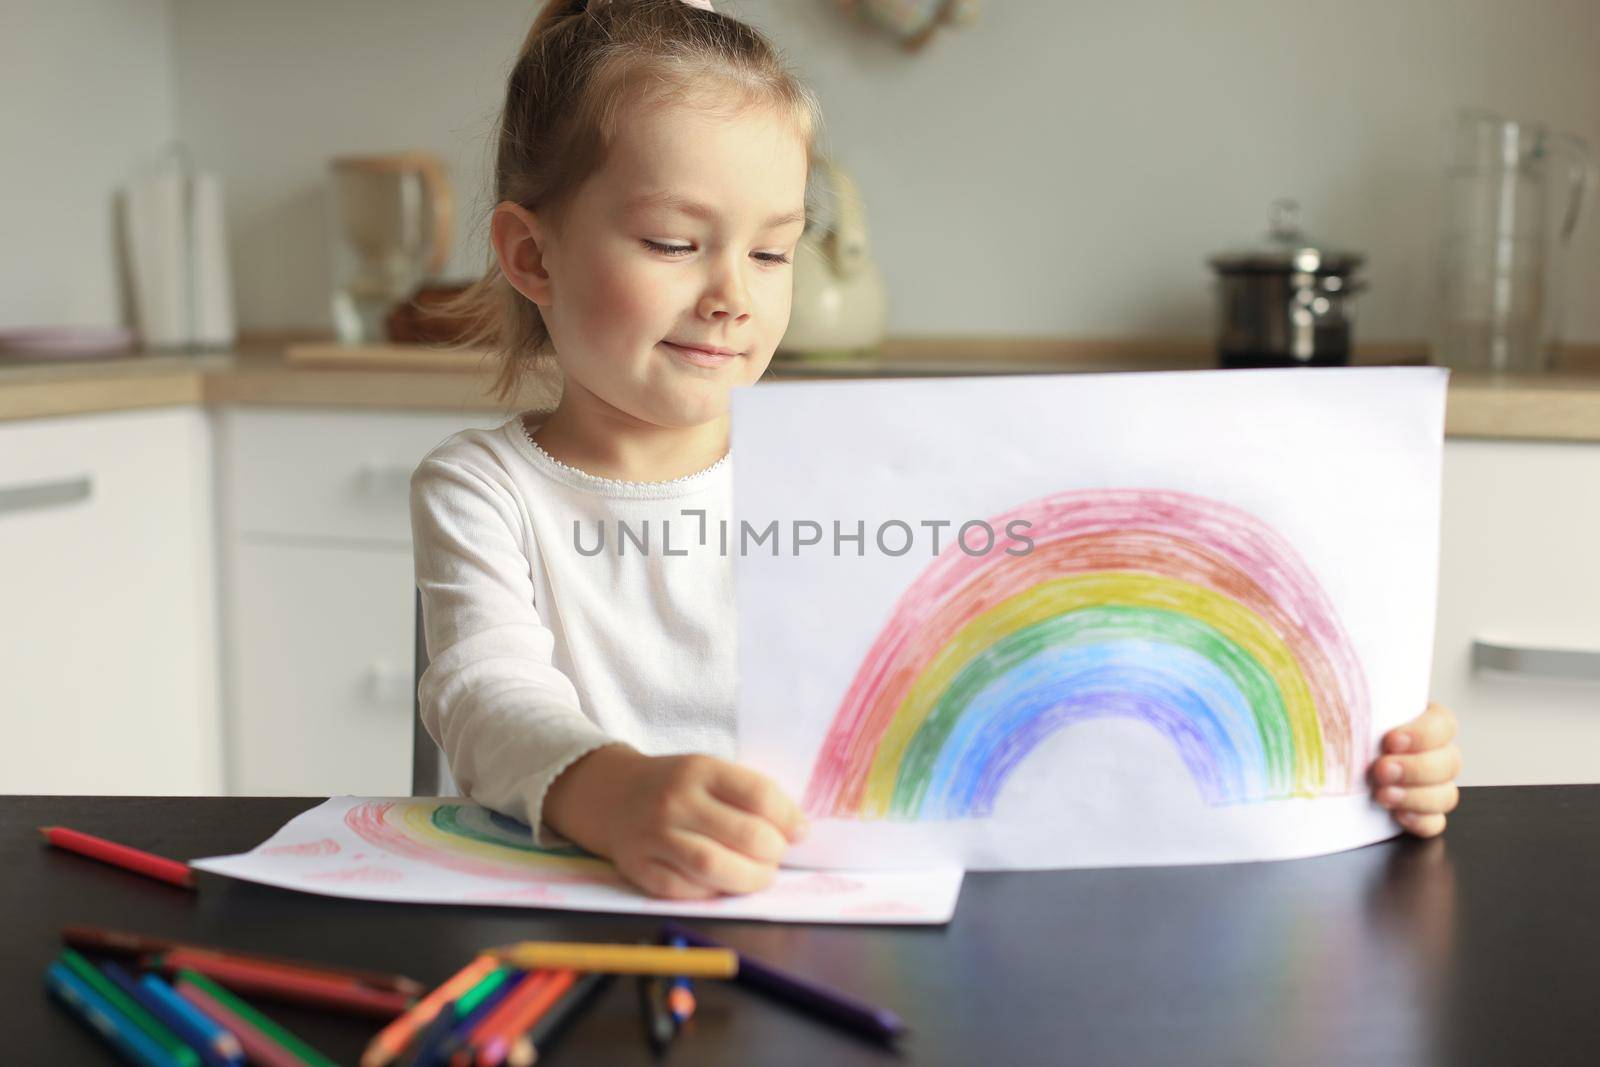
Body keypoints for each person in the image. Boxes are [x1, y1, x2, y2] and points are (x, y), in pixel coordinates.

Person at [410, 0, 1461, 901]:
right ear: (529, 253)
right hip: (584, 929)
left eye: (774, 249)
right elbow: (483, 694)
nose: (734, 291)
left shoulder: (842, 470)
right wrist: (616, 790)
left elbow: (1030, 680)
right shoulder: (484, 489)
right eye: (676, 243)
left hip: (839, 924)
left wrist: (1372, 750)